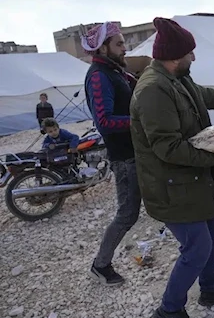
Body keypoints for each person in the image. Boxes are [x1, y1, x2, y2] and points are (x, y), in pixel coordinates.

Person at [129, 17, 214, 318]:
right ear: (175, 57)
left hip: (189, 179)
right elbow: (168, 148)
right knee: (196, 247)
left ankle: (211, 290)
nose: (195, 57)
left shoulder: (177, 79)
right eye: (190, 53)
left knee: (210, 229)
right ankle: (169, 310)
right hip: (170, 185)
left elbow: (207, 95)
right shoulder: (153, 90)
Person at [81, 22, 142, 286]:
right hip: (124, 157)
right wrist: (139, 121)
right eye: (119, 43)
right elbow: (104, 121)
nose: (124, 47)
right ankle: (101, 265)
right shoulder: (98, 75)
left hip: (137, 152)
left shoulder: (115, 71)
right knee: (127, 214)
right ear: (103, 47)